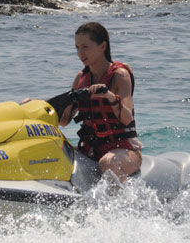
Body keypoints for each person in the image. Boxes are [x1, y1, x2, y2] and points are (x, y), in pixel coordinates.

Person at [59, 22, 143, 181]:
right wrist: (37, 108)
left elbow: (126, 118)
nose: (80, 52)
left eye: (85, 46)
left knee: (108, 162)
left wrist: (109, 96)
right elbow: (64, 121)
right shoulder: (81, 79)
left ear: (102, 46)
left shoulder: (119, 75)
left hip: (125, 151)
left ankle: (118, 205)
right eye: (77, 47)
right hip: (91, 151)